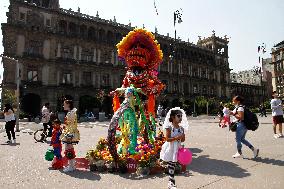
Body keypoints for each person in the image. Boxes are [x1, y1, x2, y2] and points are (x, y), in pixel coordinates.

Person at [160, 107, 189, 189]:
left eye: (181, 116)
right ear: (173, 117)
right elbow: (167, 139)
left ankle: (171, 182)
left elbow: (183, 140)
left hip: (177, 147)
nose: (180, 118)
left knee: (173, 164)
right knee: (171, 164)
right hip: (170, 147)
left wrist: (183, 136)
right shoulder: (169, 127)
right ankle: (171, 182)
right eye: (178, 116)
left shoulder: (181, 128)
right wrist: (177, 138)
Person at [60, 99, 80, 172]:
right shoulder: (71, 112)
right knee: (70, 148)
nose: (63, 106)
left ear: (68, 104)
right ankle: (72, 165)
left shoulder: (71, 113)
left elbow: (71, 125)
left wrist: (69, 134)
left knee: (68, 149)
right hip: (70, 132)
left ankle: (71, 166)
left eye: (64, 104)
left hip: (70, 133)